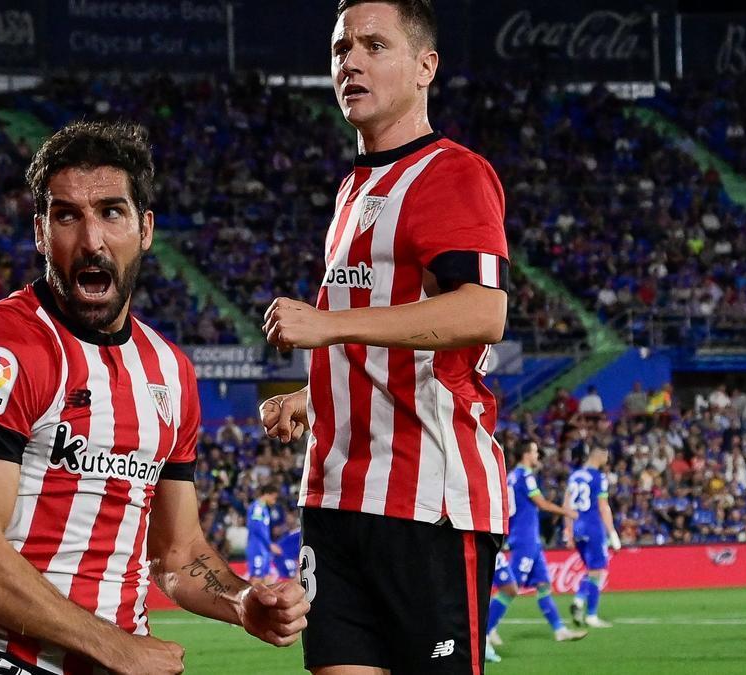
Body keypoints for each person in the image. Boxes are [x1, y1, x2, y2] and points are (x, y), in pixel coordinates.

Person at [0, 121, 308, 675]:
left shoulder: (171, 371)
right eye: (67, 215)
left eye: (111, 212)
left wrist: (241, 602)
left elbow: (177, 554)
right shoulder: (3, 349)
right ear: (40, 231)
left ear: (145, 229)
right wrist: (114, 645)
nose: (91, 239)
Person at [259, 1, 511, 672]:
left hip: (427, 503)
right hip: (334, 500)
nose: (352, 62)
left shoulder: (453, 173)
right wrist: (318, 395)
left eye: (375, 45)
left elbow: (482, 312)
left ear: (426, 65)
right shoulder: (353, 191)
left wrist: (329, 326)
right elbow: (390, 336)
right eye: (342, 49)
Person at [485, 442, 585, 647]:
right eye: (534, 451)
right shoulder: (525, 476)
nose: (537, 454)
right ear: (525, 454)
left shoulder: (513, 475)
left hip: (530, 538)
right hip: (524, 538)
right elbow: (541, 503)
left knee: (543, 585)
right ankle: (486, 631)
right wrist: (567, 512)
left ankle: (560, 630)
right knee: (508, 589)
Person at [565, 447, 622, 629]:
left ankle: (580, 602)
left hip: (578, 528)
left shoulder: (574, 476)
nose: (607, 459)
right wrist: (612, 533)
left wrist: (568, 531)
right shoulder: (599, 477)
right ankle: (589, 612)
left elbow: (566, 505)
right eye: (606, 455)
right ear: (599, 455)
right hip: (593, 527)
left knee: (592, 571)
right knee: (598, 571)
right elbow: (603, 506)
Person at [246, 485, 282, 583]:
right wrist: (270, 544)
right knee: (256, 578)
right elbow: (256, 527)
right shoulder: (257, 507)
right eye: (274, 498)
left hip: (263, 548)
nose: (274, 501)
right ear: (267, 494)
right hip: (257, 547)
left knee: (266, 578)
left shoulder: (264, 508)